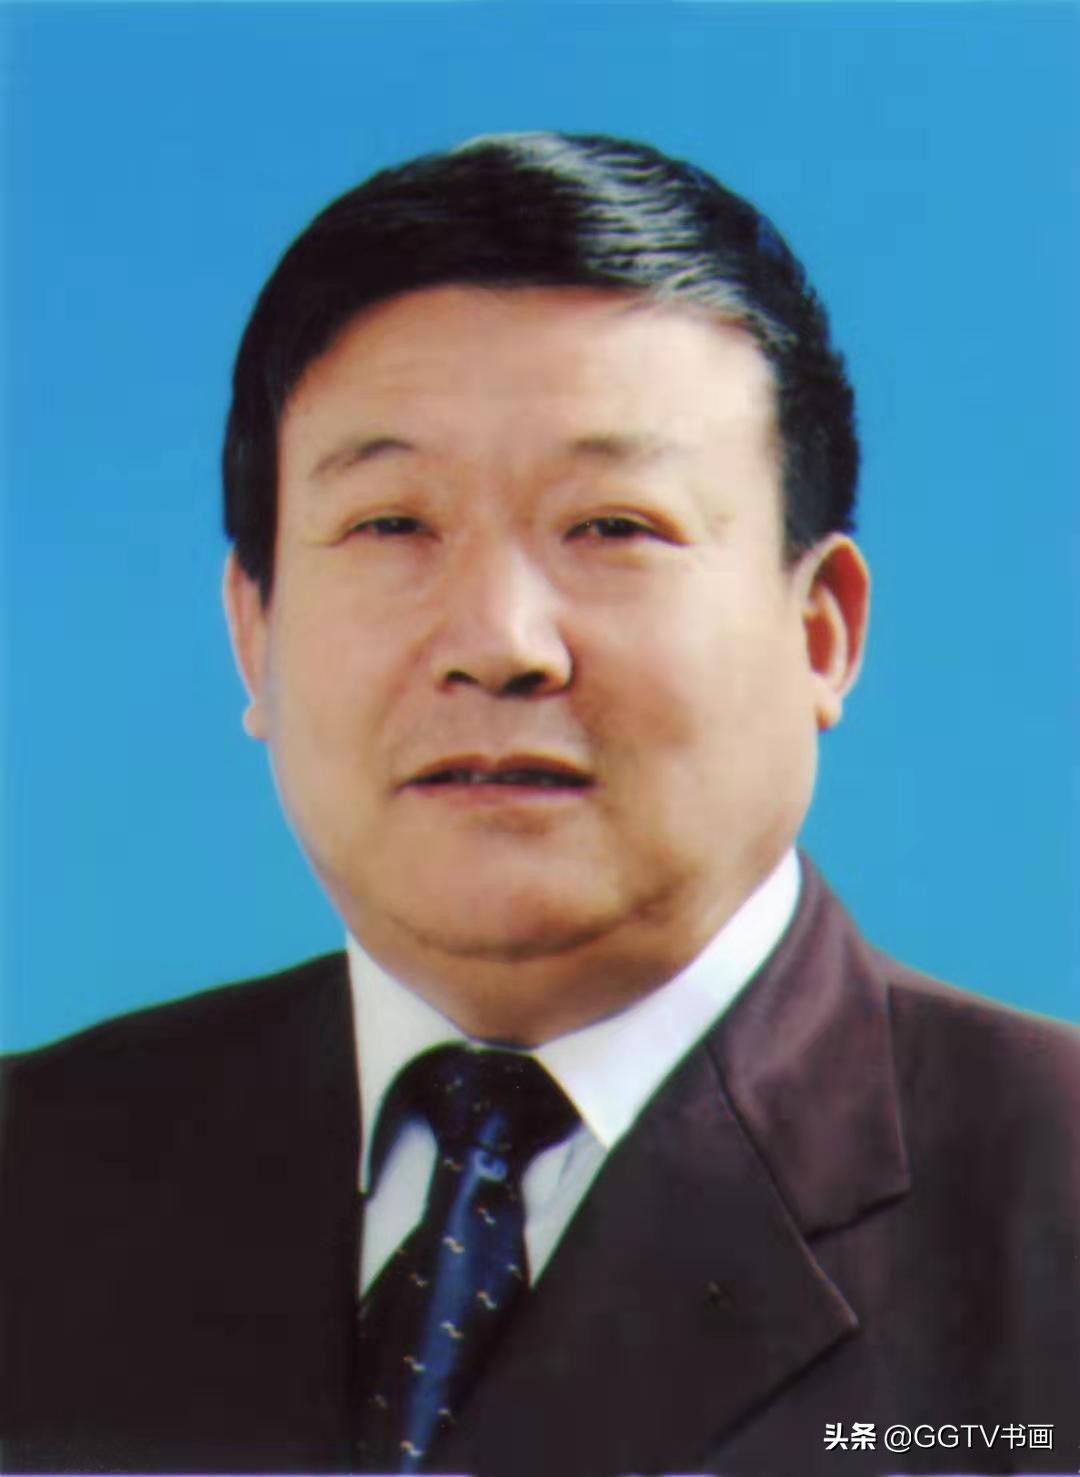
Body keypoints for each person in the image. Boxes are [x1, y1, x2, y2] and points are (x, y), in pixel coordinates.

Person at [1, 132, 1077, 1477]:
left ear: (823, 632)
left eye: (613, 525)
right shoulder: (34, 1174)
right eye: (391, 524)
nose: (500, 642)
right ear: (253, 632)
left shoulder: (1054, 1205)